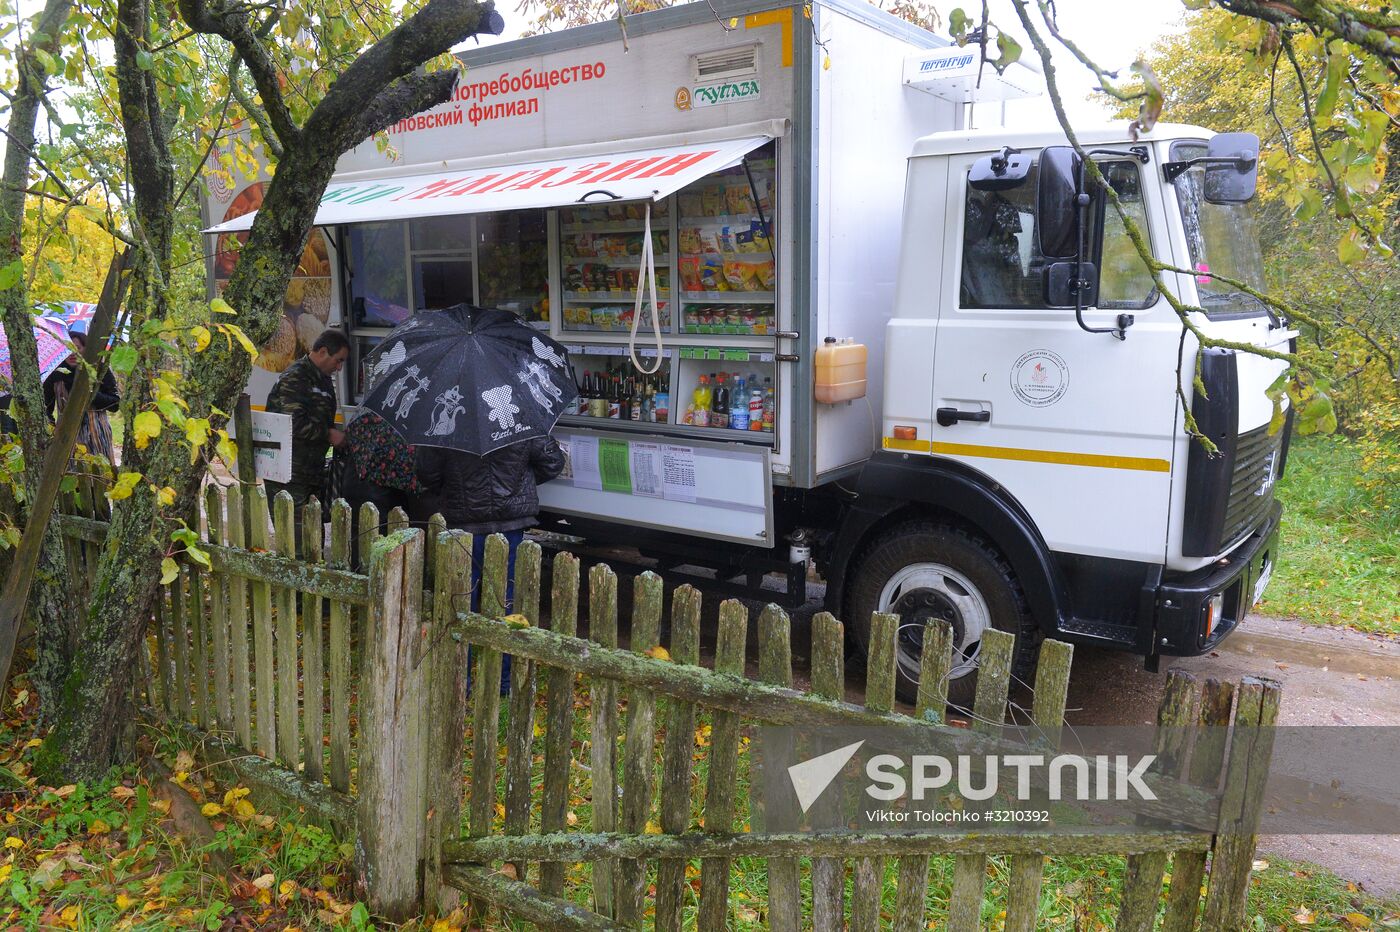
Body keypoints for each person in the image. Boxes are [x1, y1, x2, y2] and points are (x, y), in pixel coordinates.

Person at [415, 435, 565, 612]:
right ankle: (500, 635)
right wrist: (519, 484)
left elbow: (426, 472)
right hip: (510, 520)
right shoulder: (520, 419)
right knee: (505, 586)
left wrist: (454, 488)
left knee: (463, 587)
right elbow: (553, 462)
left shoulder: (447, 429)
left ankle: (463, 637)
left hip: (464, 519)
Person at [264, 330, 349, 514]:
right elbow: (293, 424)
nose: (339, 367)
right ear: (323, 352)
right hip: (289, 475)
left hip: (311, 473)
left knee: (314, 534)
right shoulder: (296, 377)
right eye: (339, 360)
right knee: (297, 535)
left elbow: (322, 418)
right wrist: (328, 434)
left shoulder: (323, 379)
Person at [340, 409, 426, 561]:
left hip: (355, 493)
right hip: (383, 508)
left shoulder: (368, 417)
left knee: (358, 552)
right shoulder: (407, 435)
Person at [43, 329, 120, 469]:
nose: (72, 353)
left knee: (101, 478)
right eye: (68, 348)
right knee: (72, 479)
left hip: (97, 434)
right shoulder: (56, 374)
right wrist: (52, 431)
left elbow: (115, 403)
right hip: (67, 437)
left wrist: (89, 393)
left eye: (77, 348)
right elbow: (45, 408)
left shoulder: (99, 370)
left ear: (86, 349)